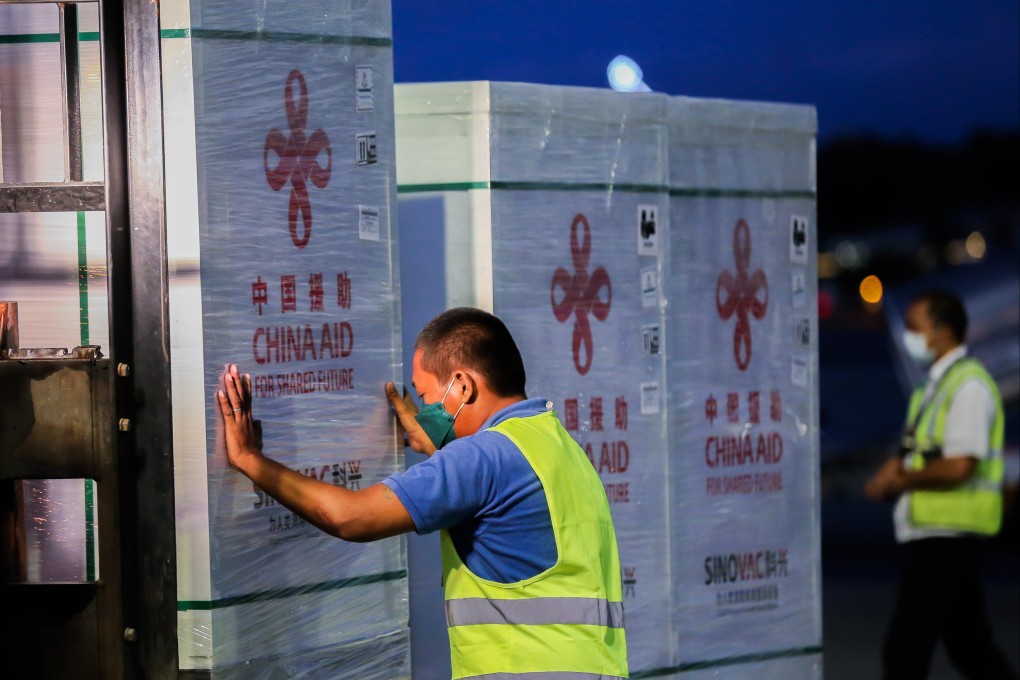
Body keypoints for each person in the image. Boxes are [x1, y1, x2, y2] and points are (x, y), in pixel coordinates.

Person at [217, 307, 629, 679]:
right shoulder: (553, 443)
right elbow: (486, 485)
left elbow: (352, 517)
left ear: (463, 386)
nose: (426, 408)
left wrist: (250, 458)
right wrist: (429, 434)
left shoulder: (483, 457)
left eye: (428, 396)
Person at [865, 289, 1016, 680]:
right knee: (969, 645)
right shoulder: (931, 387)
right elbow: (916, 447)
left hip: (946, 535)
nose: (908, 333)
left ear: (944, 330)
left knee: (905, 652)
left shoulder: (969, 386)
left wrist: (903, 479)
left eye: (915, 325)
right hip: (934, 533)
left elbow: (959, 466)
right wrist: (892, 470)